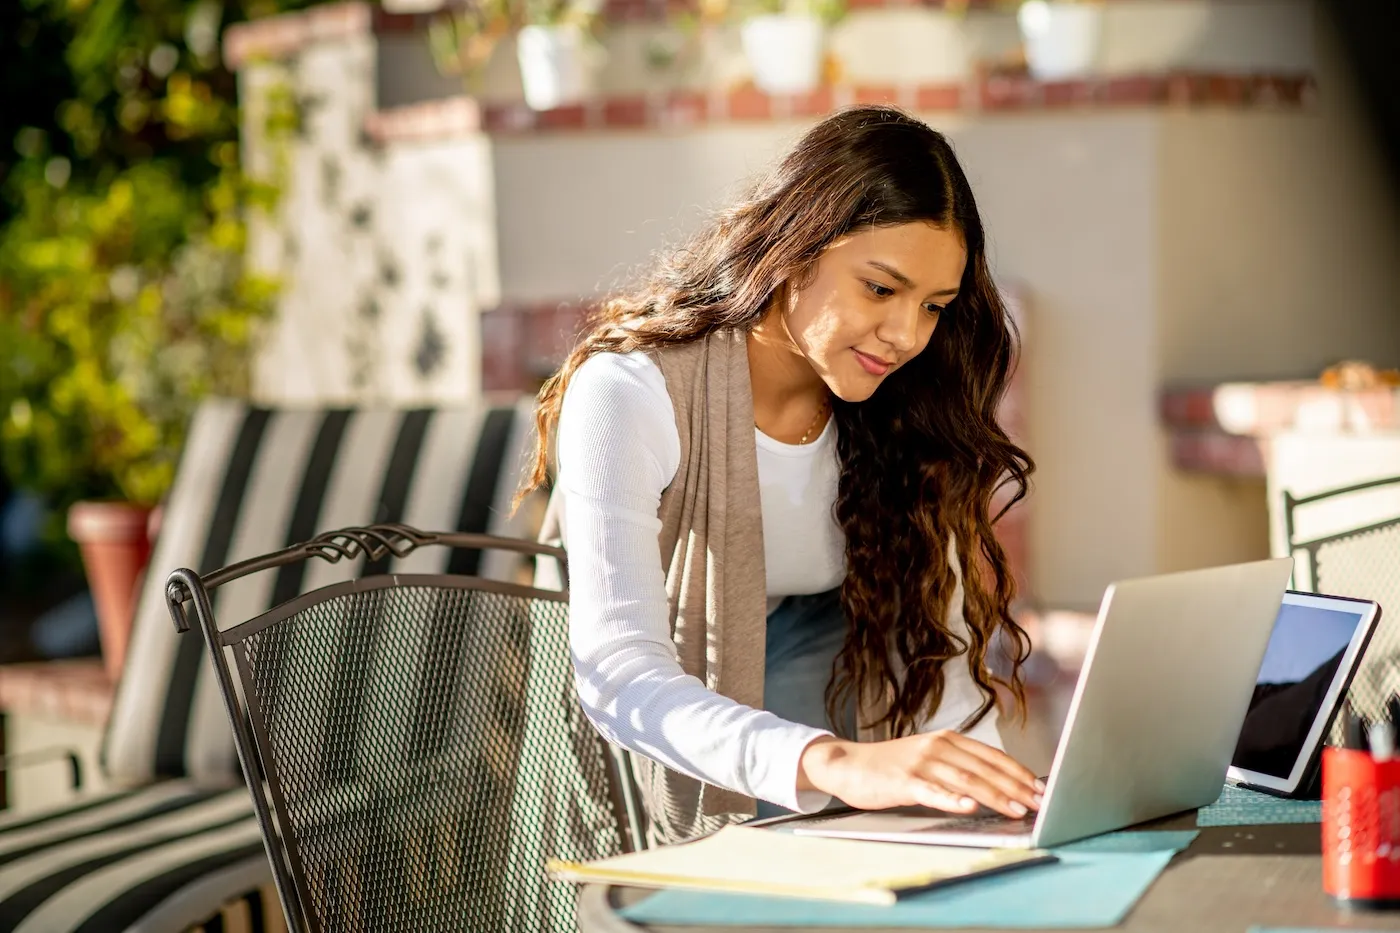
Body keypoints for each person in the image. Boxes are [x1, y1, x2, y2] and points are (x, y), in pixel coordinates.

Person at [519, 105, 1043, 844]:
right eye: (881, 289)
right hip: (655, 726)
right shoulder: (628, 393)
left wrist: (995, 813)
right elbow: (618, 674)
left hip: (819, 680)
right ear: (796, 249)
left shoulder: (906, 409)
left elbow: (943, 672)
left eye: (934, 306)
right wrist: (833, 761)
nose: (908, 336)